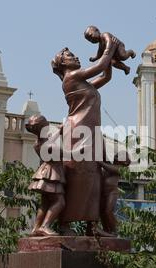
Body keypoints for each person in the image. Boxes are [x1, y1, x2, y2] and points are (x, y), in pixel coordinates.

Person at [51, 45, 115, 236]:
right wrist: (109, 45)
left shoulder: (83, 83)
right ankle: (64, 225)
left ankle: (92, 227)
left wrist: (110, 62)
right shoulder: (72, 77)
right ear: (63, 63)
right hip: (80, 130)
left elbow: (105, 76)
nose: (76, 57)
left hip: (92, 130)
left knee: (94, 177)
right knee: (79, 176)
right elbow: (100, 65)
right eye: (70, 56)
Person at [26, 115, 66, 237]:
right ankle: (45, 226)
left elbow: (49, 142)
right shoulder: (48, 146)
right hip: (52, 172)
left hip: (45, 171)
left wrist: (59, 132)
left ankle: (36, 228)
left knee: (45, 203)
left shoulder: (38, 143)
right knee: (60, 201)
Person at [99, 153, 131, 236]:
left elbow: (107, 166)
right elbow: (105, 160)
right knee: (102, 213)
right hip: (103, 193)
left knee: (108, 211)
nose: (117, 155)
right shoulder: (110, 165)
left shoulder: (121, 168)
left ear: (125, 162)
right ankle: (106, 230)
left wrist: (100, 162)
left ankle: (115, 230)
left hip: (112, 192)